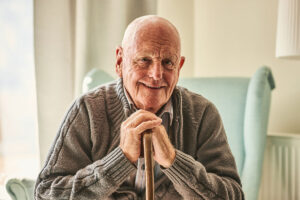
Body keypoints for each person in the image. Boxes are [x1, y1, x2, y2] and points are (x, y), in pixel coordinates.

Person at [35, 15, 244, 199]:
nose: (156, 75)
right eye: (144, 60)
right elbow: (45, 194)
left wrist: (173, 161)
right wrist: (119, 160)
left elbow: (234, 195)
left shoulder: (203, 114)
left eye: (168, 63)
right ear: (119, 61)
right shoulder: (87, 110)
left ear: (179, 67)